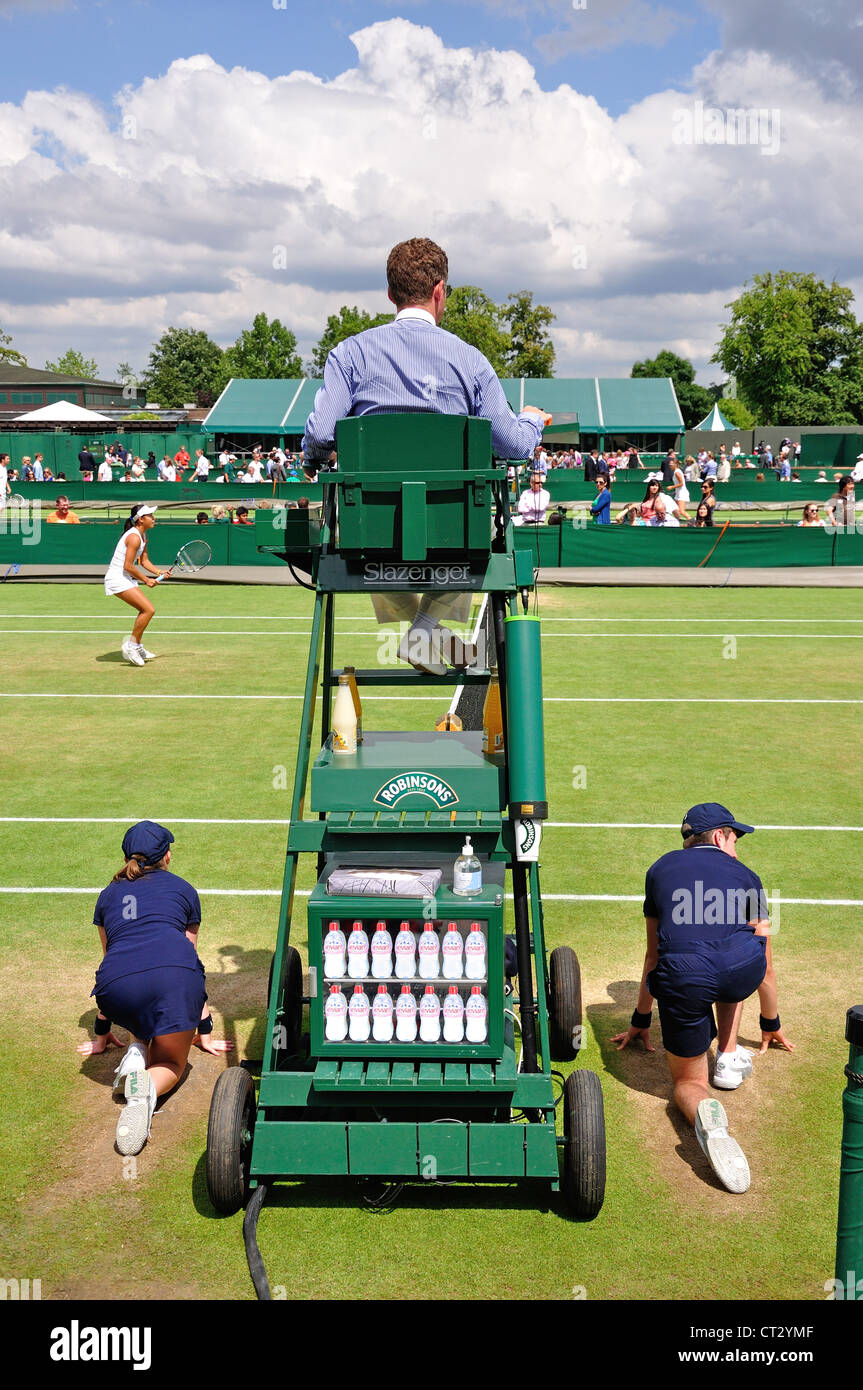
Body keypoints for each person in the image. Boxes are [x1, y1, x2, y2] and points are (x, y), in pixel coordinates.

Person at [302, 237, 550, 673]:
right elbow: (514, 447)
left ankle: (423, 632)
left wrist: (310, 458)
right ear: (440, 291)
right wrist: (530, 419)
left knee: (374, 520)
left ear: (390, 293)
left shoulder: (350, 354)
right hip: (456, 538)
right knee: (463, 526)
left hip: (369, 536)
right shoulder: (471, 361)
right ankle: (426, 629)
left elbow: (321, 433)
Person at [611, 803, 793, 1193]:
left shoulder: (658, 869)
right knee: (735, 948)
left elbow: (652, 957)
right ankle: (727, 1056)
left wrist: (642, 1020)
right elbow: (768, 964)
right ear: (717, 837)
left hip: (684, 977)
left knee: (687, 1083)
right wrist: (770, 1024)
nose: (737, 848)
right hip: (741, 971)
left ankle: (705, 1111)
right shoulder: (749, 876)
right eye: (734, 838)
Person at [77, 821, 232, 1156]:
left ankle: (135, 1053)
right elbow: (189, 962)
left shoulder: (107, 896)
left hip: (116, 990)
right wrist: (202, 1028)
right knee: (173, 1062)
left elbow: (112, 961)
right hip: (172, 982)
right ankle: (145, 1091)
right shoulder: (185, 890)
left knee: (144, 1006)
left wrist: (101, 1032)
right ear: (168, 856)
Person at [104, 503, 166, 666]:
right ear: (141, 520)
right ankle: (132, 645)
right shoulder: (133, 537)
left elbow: (144, 561)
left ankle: (136, 645)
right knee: (148, 610)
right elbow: (128, 566)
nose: (153, 518)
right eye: (150, 516)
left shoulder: (143, 536)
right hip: (117, 578)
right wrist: (146, 580)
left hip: (125, 578)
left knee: (146, 610)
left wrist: (159, 573)